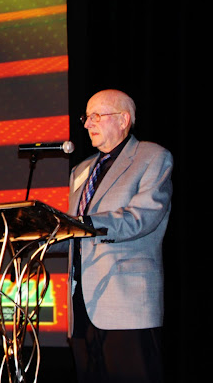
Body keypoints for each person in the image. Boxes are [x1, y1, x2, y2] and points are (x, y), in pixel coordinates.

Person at [62, 89, 173, 383]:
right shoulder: (81, 170)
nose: (88, 124)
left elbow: (142, 217)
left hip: (127, 304)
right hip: (82, 305)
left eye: (97, 116)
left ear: (124, 120)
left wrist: (85, 223)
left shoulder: (152, 157)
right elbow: (74, 233)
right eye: (87, 117)